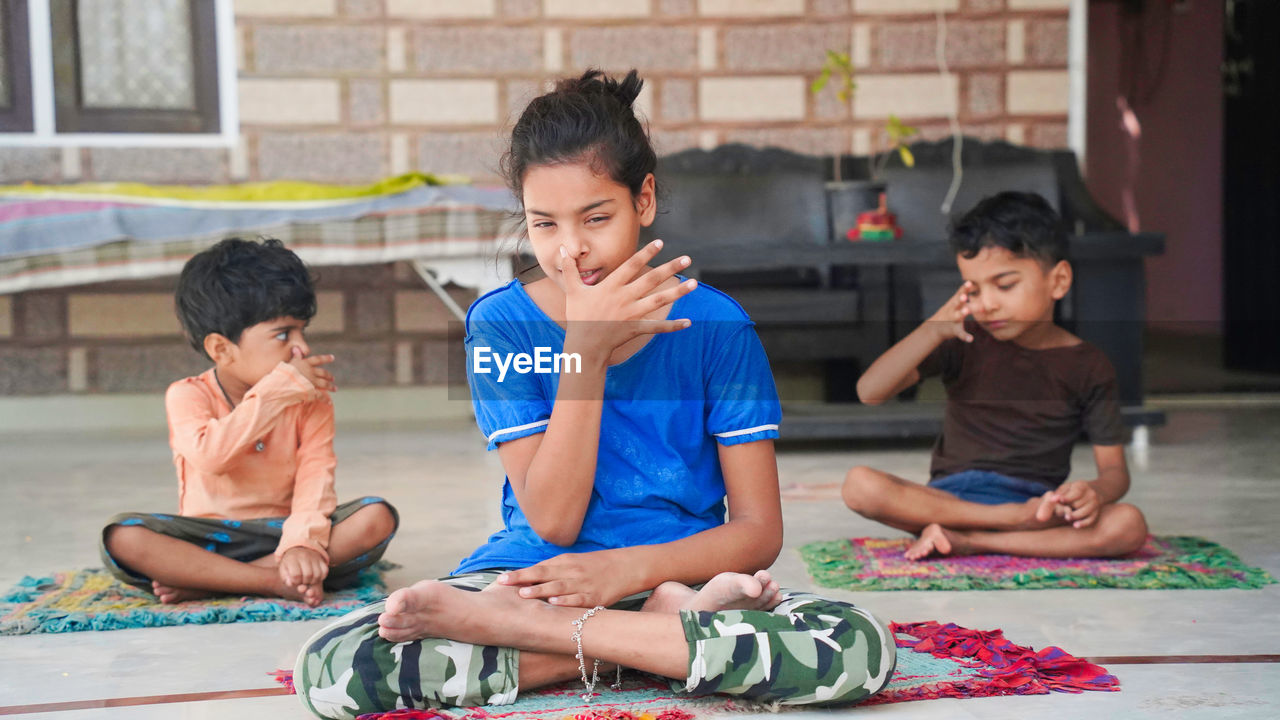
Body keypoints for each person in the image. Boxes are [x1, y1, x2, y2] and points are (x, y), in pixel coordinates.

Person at [292, 69, 895, 720]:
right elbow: (554, 521)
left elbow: (757, 531)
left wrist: (620, 575)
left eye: (596, 216)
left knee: (858, 647)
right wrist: (585, 352)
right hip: (538, 574)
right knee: (337, 666)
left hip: (675, 573)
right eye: (544, 224)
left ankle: (567, 641)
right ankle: (662, 639)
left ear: (645, 201)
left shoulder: (718, 328)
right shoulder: (500, 325)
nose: (571, 249)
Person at [841, 191, 1149, 560]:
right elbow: (869, 391)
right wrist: (933, 329)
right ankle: (993, 524)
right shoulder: (962, 337)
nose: (986, 304)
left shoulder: (1089, 365)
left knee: (1127, 524)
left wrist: (1094, 493)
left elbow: (1115, 472)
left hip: (1036, 506)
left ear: (1059, 280)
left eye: (1004, 285)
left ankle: (971, 541)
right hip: (947, 501)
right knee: (860, 485)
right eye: (974, 289)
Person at [100, 237, 399, 607]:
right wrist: (275, 392)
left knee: (376, 517)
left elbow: (315, 482)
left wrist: (301, 543)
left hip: (285, 536)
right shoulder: (187, 395)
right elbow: (213, 457)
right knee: (122, 537)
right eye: (283, 334)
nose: (301, 348)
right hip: (209, 538)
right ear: (222, 349)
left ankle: (214, 582)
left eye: (302, 330)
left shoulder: (311, 399)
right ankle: (271, 581)